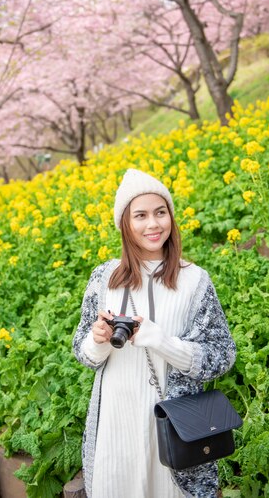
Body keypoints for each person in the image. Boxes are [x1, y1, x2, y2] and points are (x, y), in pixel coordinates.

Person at [73, 169, 236, 498]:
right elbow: (82, 352)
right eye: (141, 215)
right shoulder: (104, 277)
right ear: (125, 224)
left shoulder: (194, 280)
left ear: (172, 218)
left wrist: (162, 342)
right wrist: (99, 340)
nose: (153, 224)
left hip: (173, 423)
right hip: (116, 425)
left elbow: (222, 355)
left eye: (161, 213)